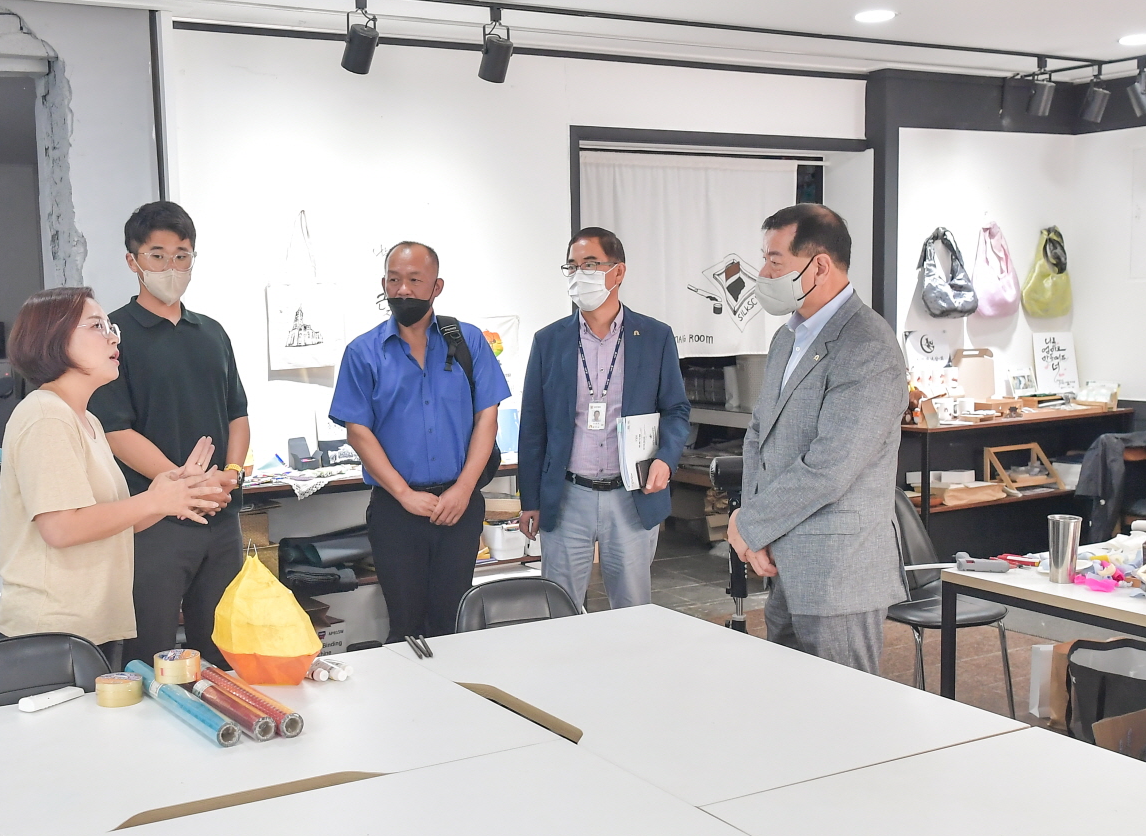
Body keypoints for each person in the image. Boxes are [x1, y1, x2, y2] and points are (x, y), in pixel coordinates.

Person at [0, 287, 219, 667]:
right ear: (54, 339)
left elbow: (112, 522)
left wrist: (170, 496)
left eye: (111, 327)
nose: (114, 338)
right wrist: (153, 500)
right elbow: (61, 528)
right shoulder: (47, 416)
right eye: (97, 326)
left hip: (91, 628)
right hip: (52, 633)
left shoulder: (88, 420)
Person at [726, 204, 906, 673]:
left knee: (845, 708)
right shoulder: (787, 338)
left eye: (775, 261)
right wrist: (753, 528)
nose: (763, 273)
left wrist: (750, 525)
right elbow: (759, 435)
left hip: (838, 573)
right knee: (788, 702)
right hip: (784, 562)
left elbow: (830, 467)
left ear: (820, 265)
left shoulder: (867, 346)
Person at [89, 202, 250, 670]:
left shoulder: (212, 333)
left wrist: (231, 473)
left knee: (222, 654)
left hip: (221, 519)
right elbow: (116, 430)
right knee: (150, 654)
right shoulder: (114, 337)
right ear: (132, 261)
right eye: (157, 256)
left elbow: (238, 414)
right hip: (153, 521)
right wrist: (186, 484)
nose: (171, 267)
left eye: (182, 256)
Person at [330, 241, 509, 640]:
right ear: (383, 284)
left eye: (415, 280)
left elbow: (487, 417)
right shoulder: (363, 352)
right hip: (396, 511)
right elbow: (358, 431)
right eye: (394, 280)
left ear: (436, 287)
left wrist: (464, 489)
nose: (403, 290)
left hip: (459, 505)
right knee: (405, 624)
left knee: (452, 622)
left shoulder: (468, 341)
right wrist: (404, 494)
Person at [517, 227, 691, 610]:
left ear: (618, 272)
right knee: (558, 609)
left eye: (591, 264)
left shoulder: (655, 337)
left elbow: (676, 409)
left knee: (632, 611)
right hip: (567, 497)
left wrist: (666, 459)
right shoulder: (549, 341)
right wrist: (530, 499)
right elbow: (533, 426)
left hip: (630, 496)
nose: (579, 274)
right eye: (572, 266)